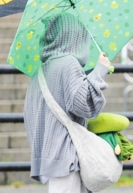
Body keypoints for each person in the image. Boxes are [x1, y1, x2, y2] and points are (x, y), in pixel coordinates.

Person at [23, 12, 112, 192]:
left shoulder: (40, 71)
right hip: (67, 157)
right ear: (75, 36)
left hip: (49, 158)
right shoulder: (68, 63)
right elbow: (84, 105)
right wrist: (99, 71)